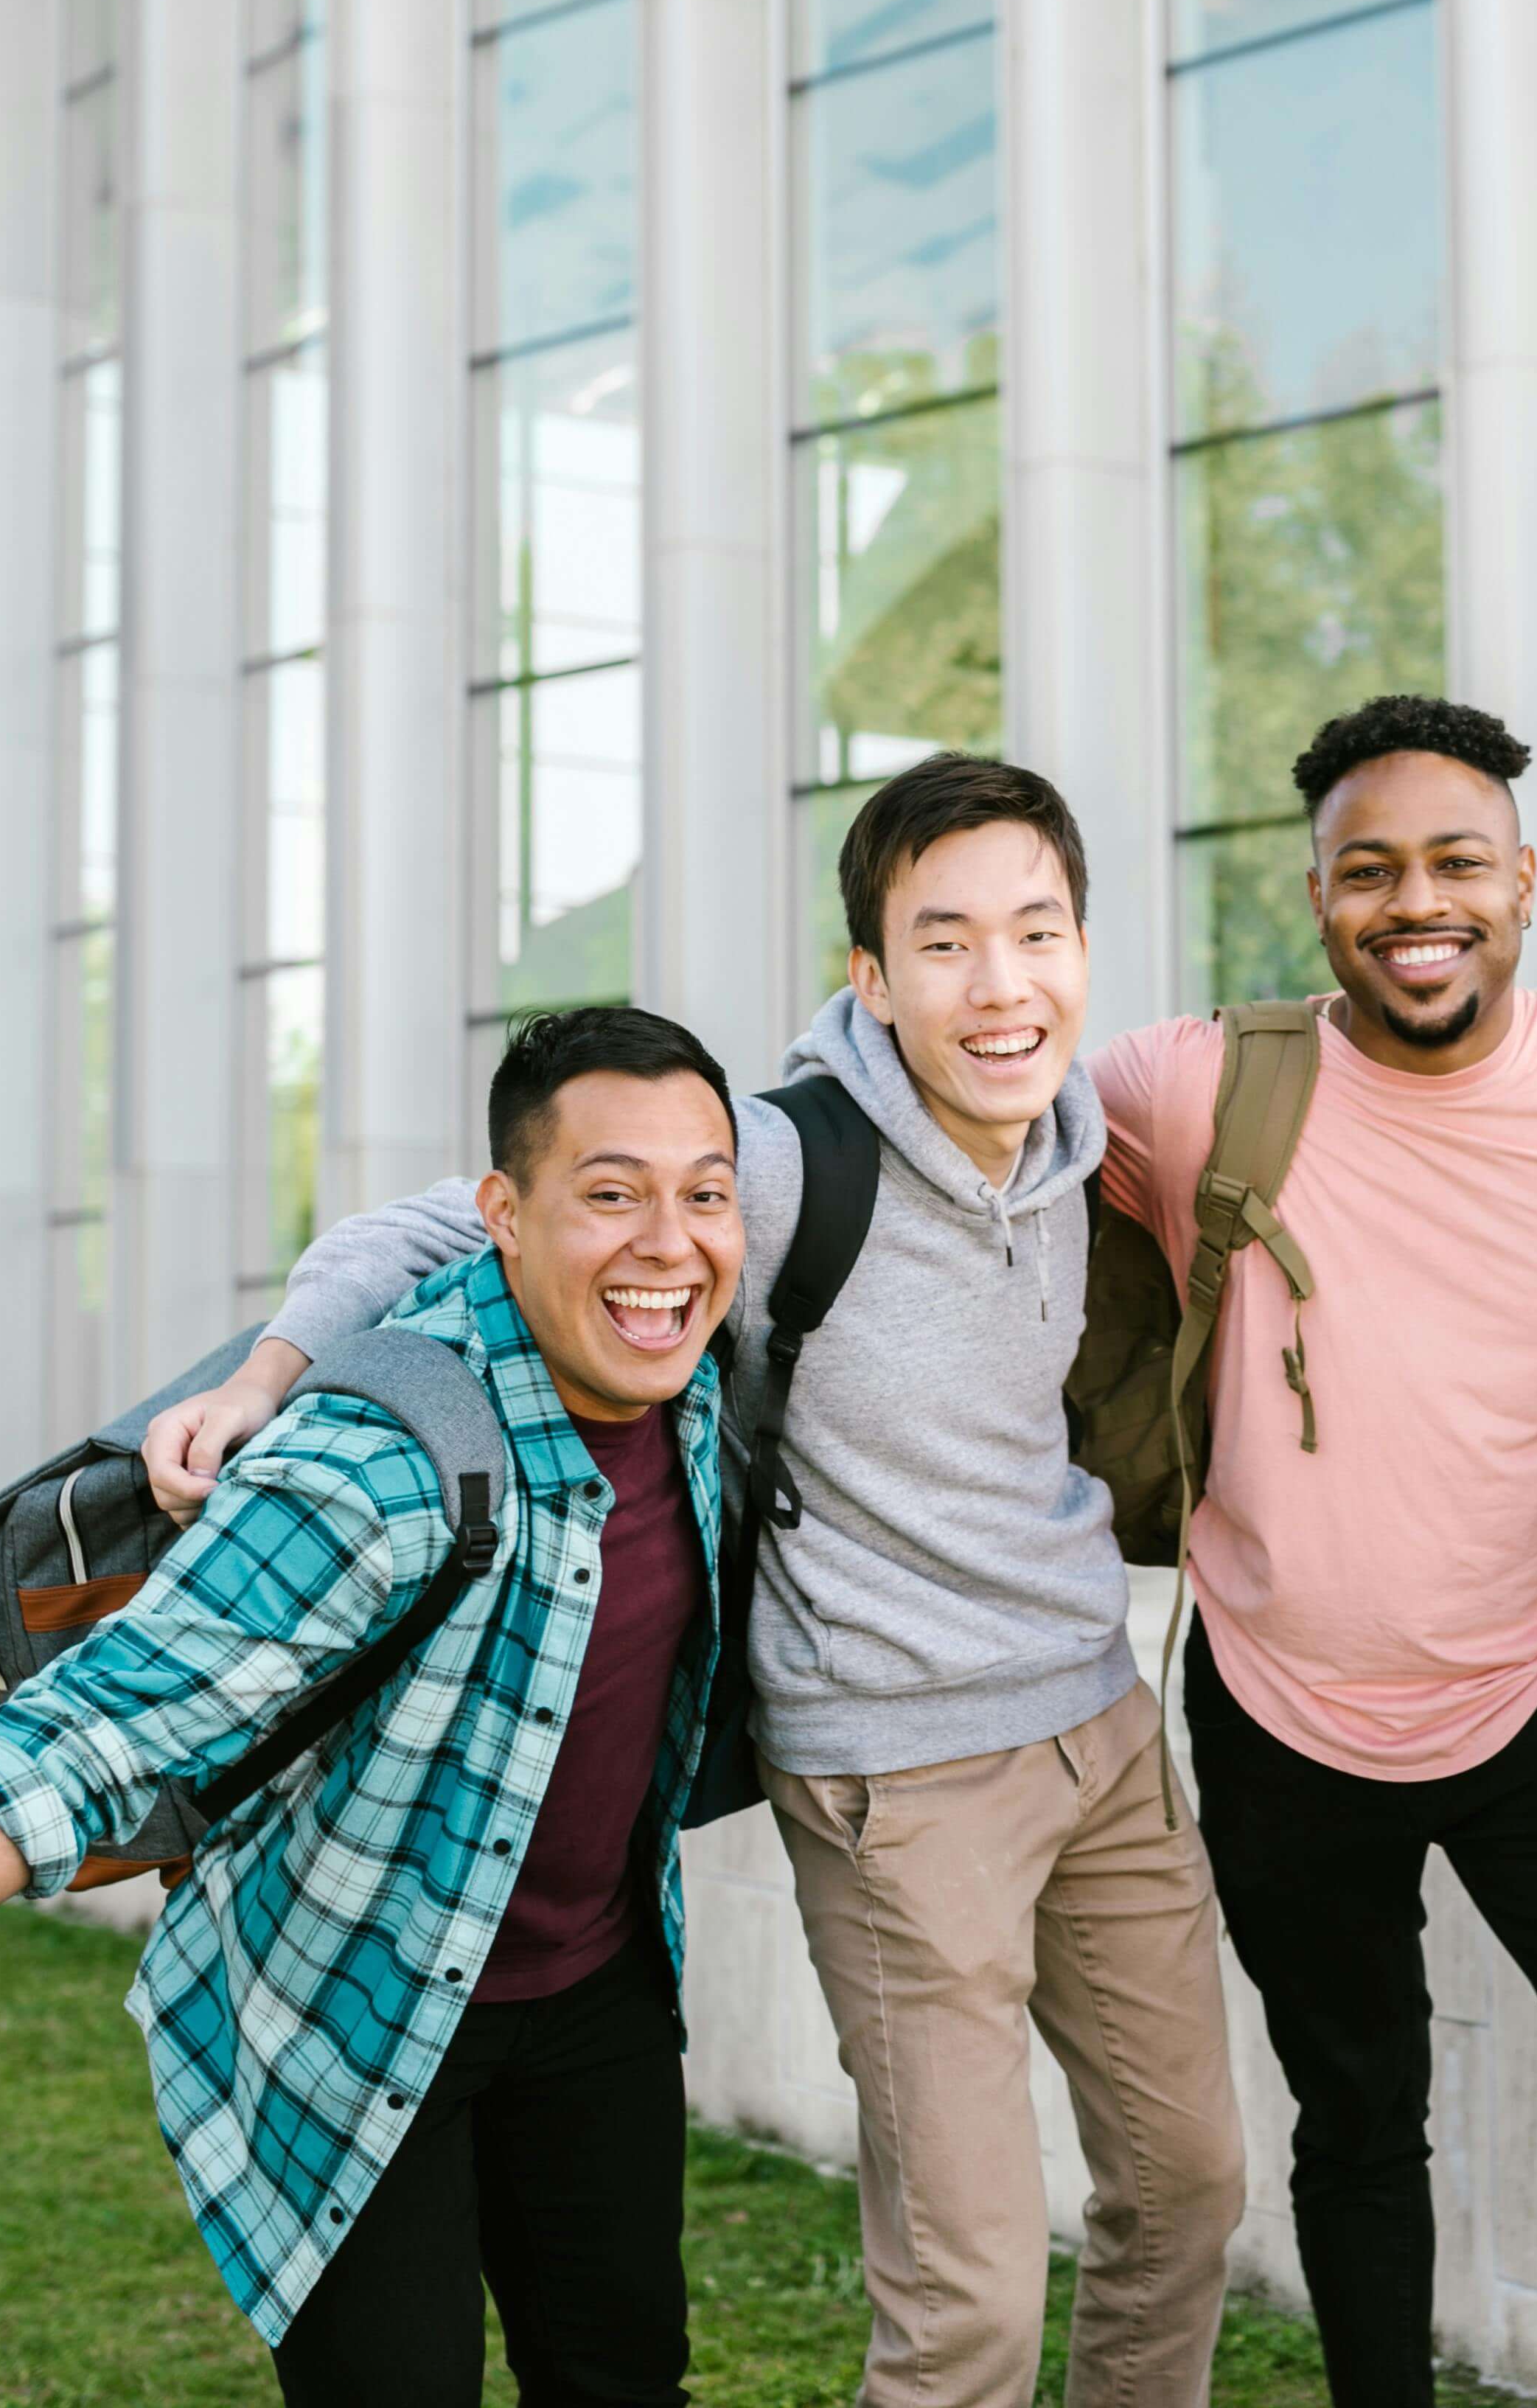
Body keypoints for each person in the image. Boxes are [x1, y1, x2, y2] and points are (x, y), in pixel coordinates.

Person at [158, 759, 1246, 2408]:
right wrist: (267, 1375)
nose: (1001, 983)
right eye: (945, 944)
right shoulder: (790, 1158)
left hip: (1099, 1729)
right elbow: (447, 1227)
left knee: (1188, 2192)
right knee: (973, 2309)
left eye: (1037, 932)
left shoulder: (1081, 1144)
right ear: (872, 979)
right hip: (899, 1776)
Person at [0, 1006, 757, 2406]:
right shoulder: (382, 1462)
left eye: (704, 1193)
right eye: (612, 1195)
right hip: (349, 2008)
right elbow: (84, 1734)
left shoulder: (691, 1376)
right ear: (501, 1217)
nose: (668, 1243)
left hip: (600, 1990)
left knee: (627, 2378)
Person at [1090, 695, 1537, 2408]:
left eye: (1458, 862)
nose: (1416, 902)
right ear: (1318, 898)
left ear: (1524, 884)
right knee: (1358, 2118)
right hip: (1273, 1697)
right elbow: (906, 1118)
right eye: (1368, 869)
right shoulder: (1188, 1088)